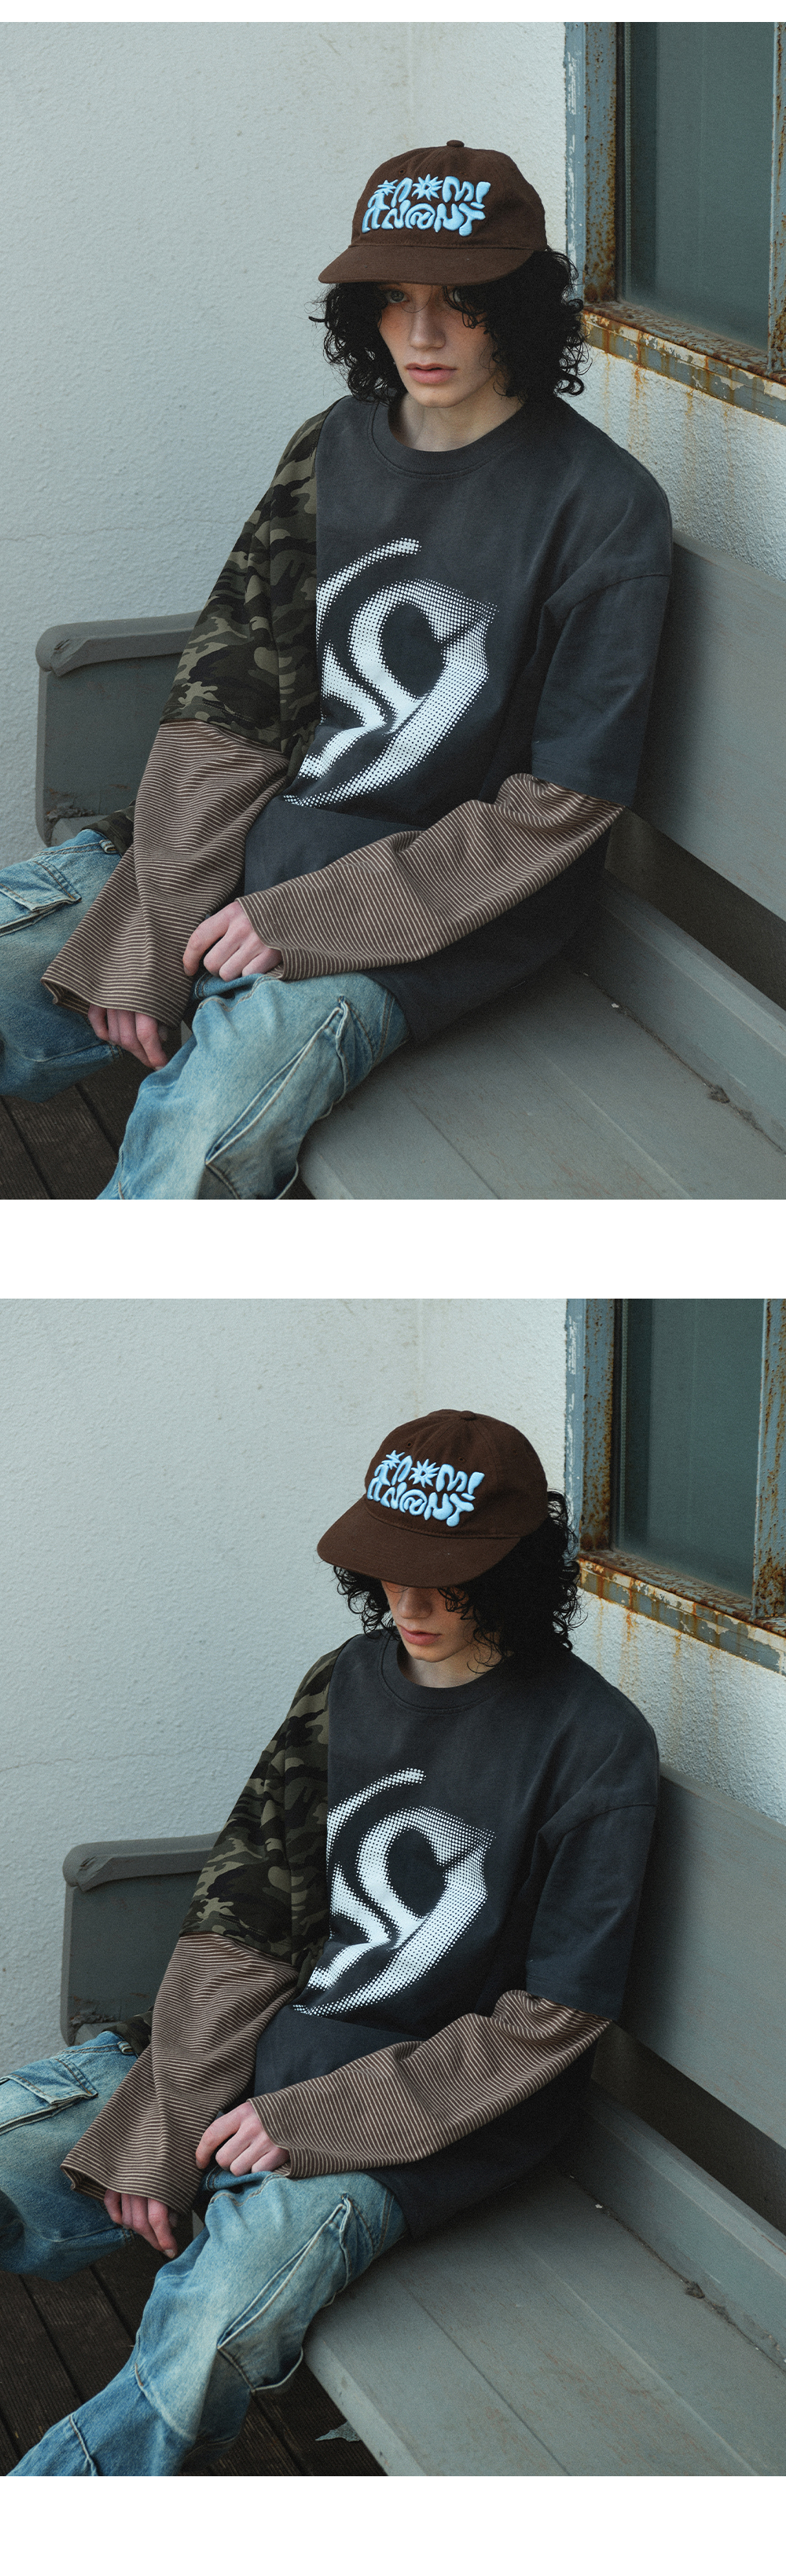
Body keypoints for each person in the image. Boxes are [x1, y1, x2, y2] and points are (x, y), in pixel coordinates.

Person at [0, 138, 673, 1198]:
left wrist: (300, 923)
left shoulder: (602, 508)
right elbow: (229, 708)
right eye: (394, 298)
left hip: (424, 921)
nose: (422, 334)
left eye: (461, 301)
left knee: (203, 1132)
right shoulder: (332, 447)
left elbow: (558, 807)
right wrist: (156, 921)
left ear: (522, 306)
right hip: (247, 854)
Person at [2, 1405, 660, 2475]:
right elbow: (244, 1919)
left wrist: (310, 2121)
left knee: (212, 2325)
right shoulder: (344, 1681)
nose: (412, 1603)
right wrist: (167, 2118)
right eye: (393, 1569)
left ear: (519, 1571)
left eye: (451, 1578)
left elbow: (554, 2018)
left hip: (418, 2129)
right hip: (253, 2068)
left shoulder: (595, 1742)